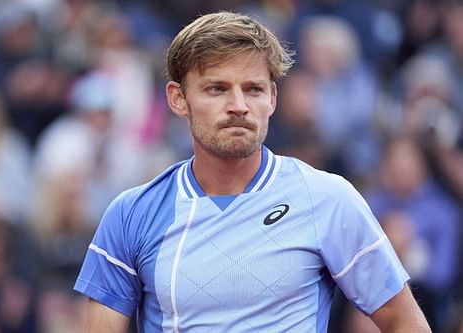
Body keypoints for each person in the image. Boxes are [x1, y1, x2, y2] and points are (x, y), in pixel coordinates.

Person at [74, 11, 431, 332]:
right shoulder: (130, 214)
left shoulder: (328, 198)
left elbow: (403, 320)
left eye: (254, 90)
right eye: (217, 89)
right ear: (178, 99)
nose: (239, 106)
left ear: (272, 99)